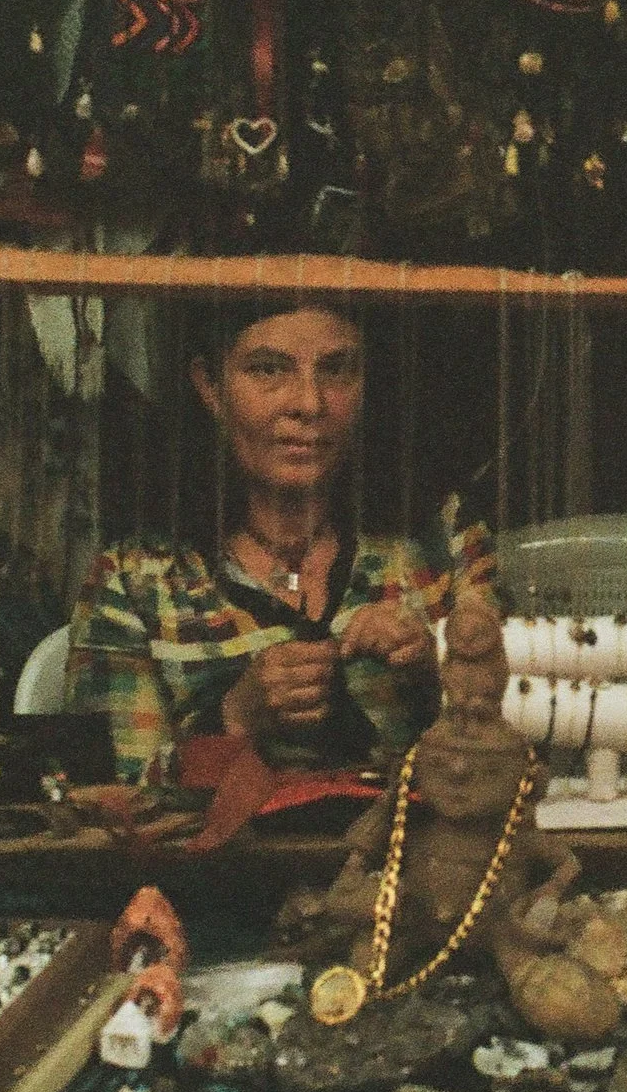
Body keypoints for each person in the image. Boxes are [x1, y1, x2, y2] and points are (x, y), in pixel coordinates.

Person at [67, 301, 493, 785]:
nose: (309, 404)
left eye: (336, 370)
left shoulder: (444, 542)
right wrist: (233, 719)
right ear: (210, 386)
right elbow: (107, 799)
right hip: (223, 864)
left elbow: (536, 738)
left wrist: (437, 669)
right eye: (268, 370)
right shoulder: (137, 579)